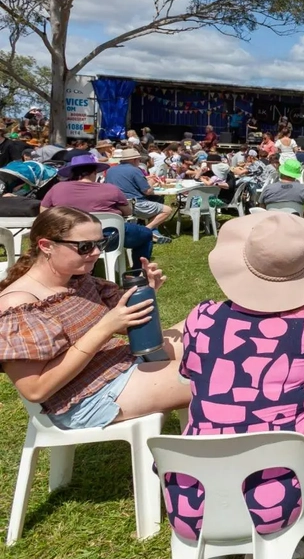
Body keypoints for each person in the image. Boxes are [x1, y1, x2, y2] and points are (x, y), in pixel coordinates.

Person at [162, 211, 304, 546]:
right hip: (282, 499)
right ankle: (291, 543)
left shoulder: (202, 317)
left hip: (191, 503)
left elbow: (189, 373)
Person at [0, 207, 190, 430]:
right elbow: (36, 390)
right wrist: (104, 328)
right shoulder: (18, 304)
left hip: (120, 364)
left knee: (206, 332)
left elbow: (125, 326)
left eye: (102, 243)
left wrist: (145, 295)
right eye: (85, 246)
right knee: (212, 377)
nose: (96, 252)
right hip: (84, 399)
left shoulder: (77, 279)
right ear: (46, 246)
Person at [41, 155, 162, 263]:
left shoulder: (57, 188)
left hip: (67, 239)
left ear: (72, 173)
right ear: (94, 172)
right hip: (107, 239)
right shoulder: (111, 189)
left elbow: (44, 212)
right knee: (146, 233)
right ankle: (137, 273)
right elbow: (128, 212)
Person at [102, 148, 174, 241]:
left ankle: (151, 231)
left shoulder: (110, 171)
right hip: (134, 205)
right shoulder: (134, 170)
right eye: (138, 159)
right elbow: (147, 191)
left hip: (116, 204)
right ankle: (145, 231)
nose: (139, 162)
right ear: (133, 160)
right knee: (167, 210)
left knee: (156, 199)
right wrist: (151, 183)